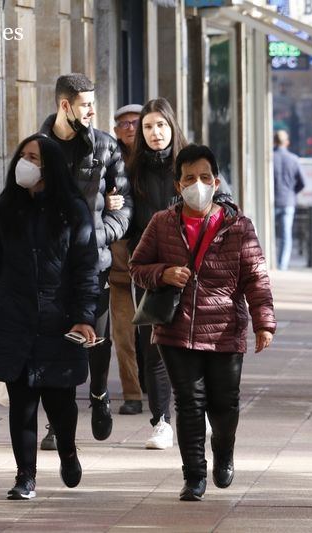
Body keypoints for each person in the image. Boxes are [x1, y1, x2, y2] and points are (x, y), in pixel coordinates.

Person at [0, 134, 101, 499]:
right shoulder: (8, 207)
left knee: (60, 402)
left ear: (49, 165)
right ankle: (25, 477)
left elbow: (86, 269)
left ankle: (67, 450)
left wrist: (84, 316)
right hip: (14, 319)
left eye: (34, 157)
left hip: (59, 320)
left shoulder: (72, 210)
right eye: (23, 156)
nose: (26, 162)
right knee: (21, 403)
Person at [129, 144, 276, 501]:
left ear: (217, 181)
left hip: (225, 328)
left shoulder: (237, 225)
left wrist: (264, 321)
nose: (198, 184)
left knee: (225, 404)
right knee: (190, 403)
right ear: (178, 186)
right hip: (175, 329)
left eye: (205, 177)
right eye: (190, 178)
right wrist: (164, 273)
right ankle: (193, 475)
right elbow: (137, 267)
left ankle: (223, 453)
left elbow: (255, 276)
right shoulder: (162, 223)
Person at [38, 73, 133, 448]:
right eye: (86, 104)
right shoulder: (38, 148)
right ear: (65, 106)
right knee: (54, 342)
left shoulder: (107, 148)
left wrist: (95, 238)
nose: (93, 110)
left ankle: (98, 395)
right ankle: (56, 425)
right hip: (50, 265)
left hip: (94, 263)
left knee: (96, 338)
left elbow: (123, 211)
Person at [125, 97, 189, 449]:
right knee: (155, 346)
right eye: (148, 127)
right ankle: (161, 421)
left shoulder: (188, 166)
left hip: (189, 269)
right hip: (149, 271)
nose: (154, 132)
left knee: (193, 343)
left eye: (160, 125)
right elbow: (126, 221)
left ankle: (196, 409)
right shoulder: (131, 172)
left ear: (171, 127)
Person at [108, 103, 145, 416]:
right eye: (123, 124)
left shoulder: (163, 157)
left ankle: (157, 386)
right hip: (119, 256)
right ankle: (132, 392)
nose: (130, 128)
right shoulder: (109, 159)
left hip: (155, 257)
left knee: (154, 328)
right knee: (123, 330)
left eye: (136, 122)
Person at [272, 130, 305, 271]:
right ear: (287, 142)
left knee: (269, 234)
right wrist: (292, 192)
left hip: (272, 202)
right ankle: (282, 265)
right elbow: (302, 182)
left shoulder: (270, 158)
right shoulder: (294, 159)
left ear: (274, 142)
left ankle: (269, 262)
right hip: (288, 202)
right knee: (286, 235)